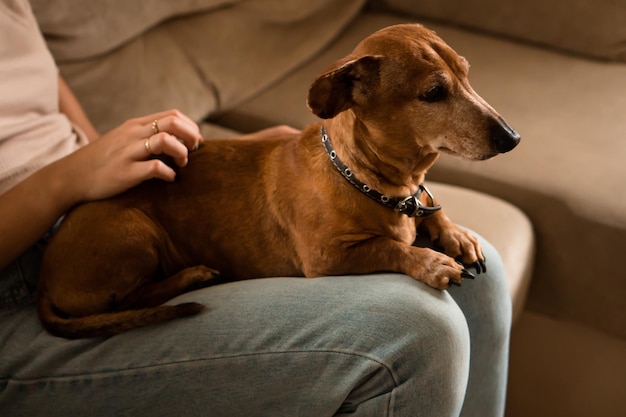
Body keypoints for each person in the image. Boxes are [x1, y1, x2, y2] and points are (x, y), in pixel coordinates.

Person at [0, 1, 512, 416]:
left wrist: (245, 169)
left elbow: (57, 121)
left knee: (482, 276)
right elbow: (327, 256)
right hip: (26, 283)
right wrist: (70, 178)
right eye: (436, 94)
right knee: (419, 332)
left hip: (109, 198)